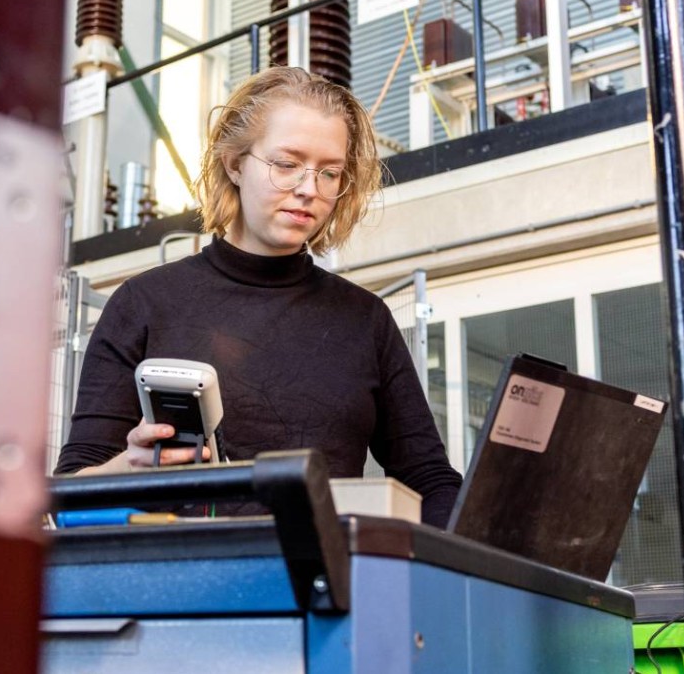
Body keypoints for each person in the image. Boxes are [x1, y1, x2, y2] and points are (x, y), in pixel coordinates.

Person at [52, 66, 464, 527]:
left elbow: (430, 481)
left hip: (325, 585)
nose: (309, 189)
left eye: (330, 173)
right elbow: (72, 488)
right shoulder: (143, 304)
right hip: (182, 581)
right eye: (287, 164)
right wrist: (126, 468)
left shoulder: (366, 320)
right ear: (235, 162)